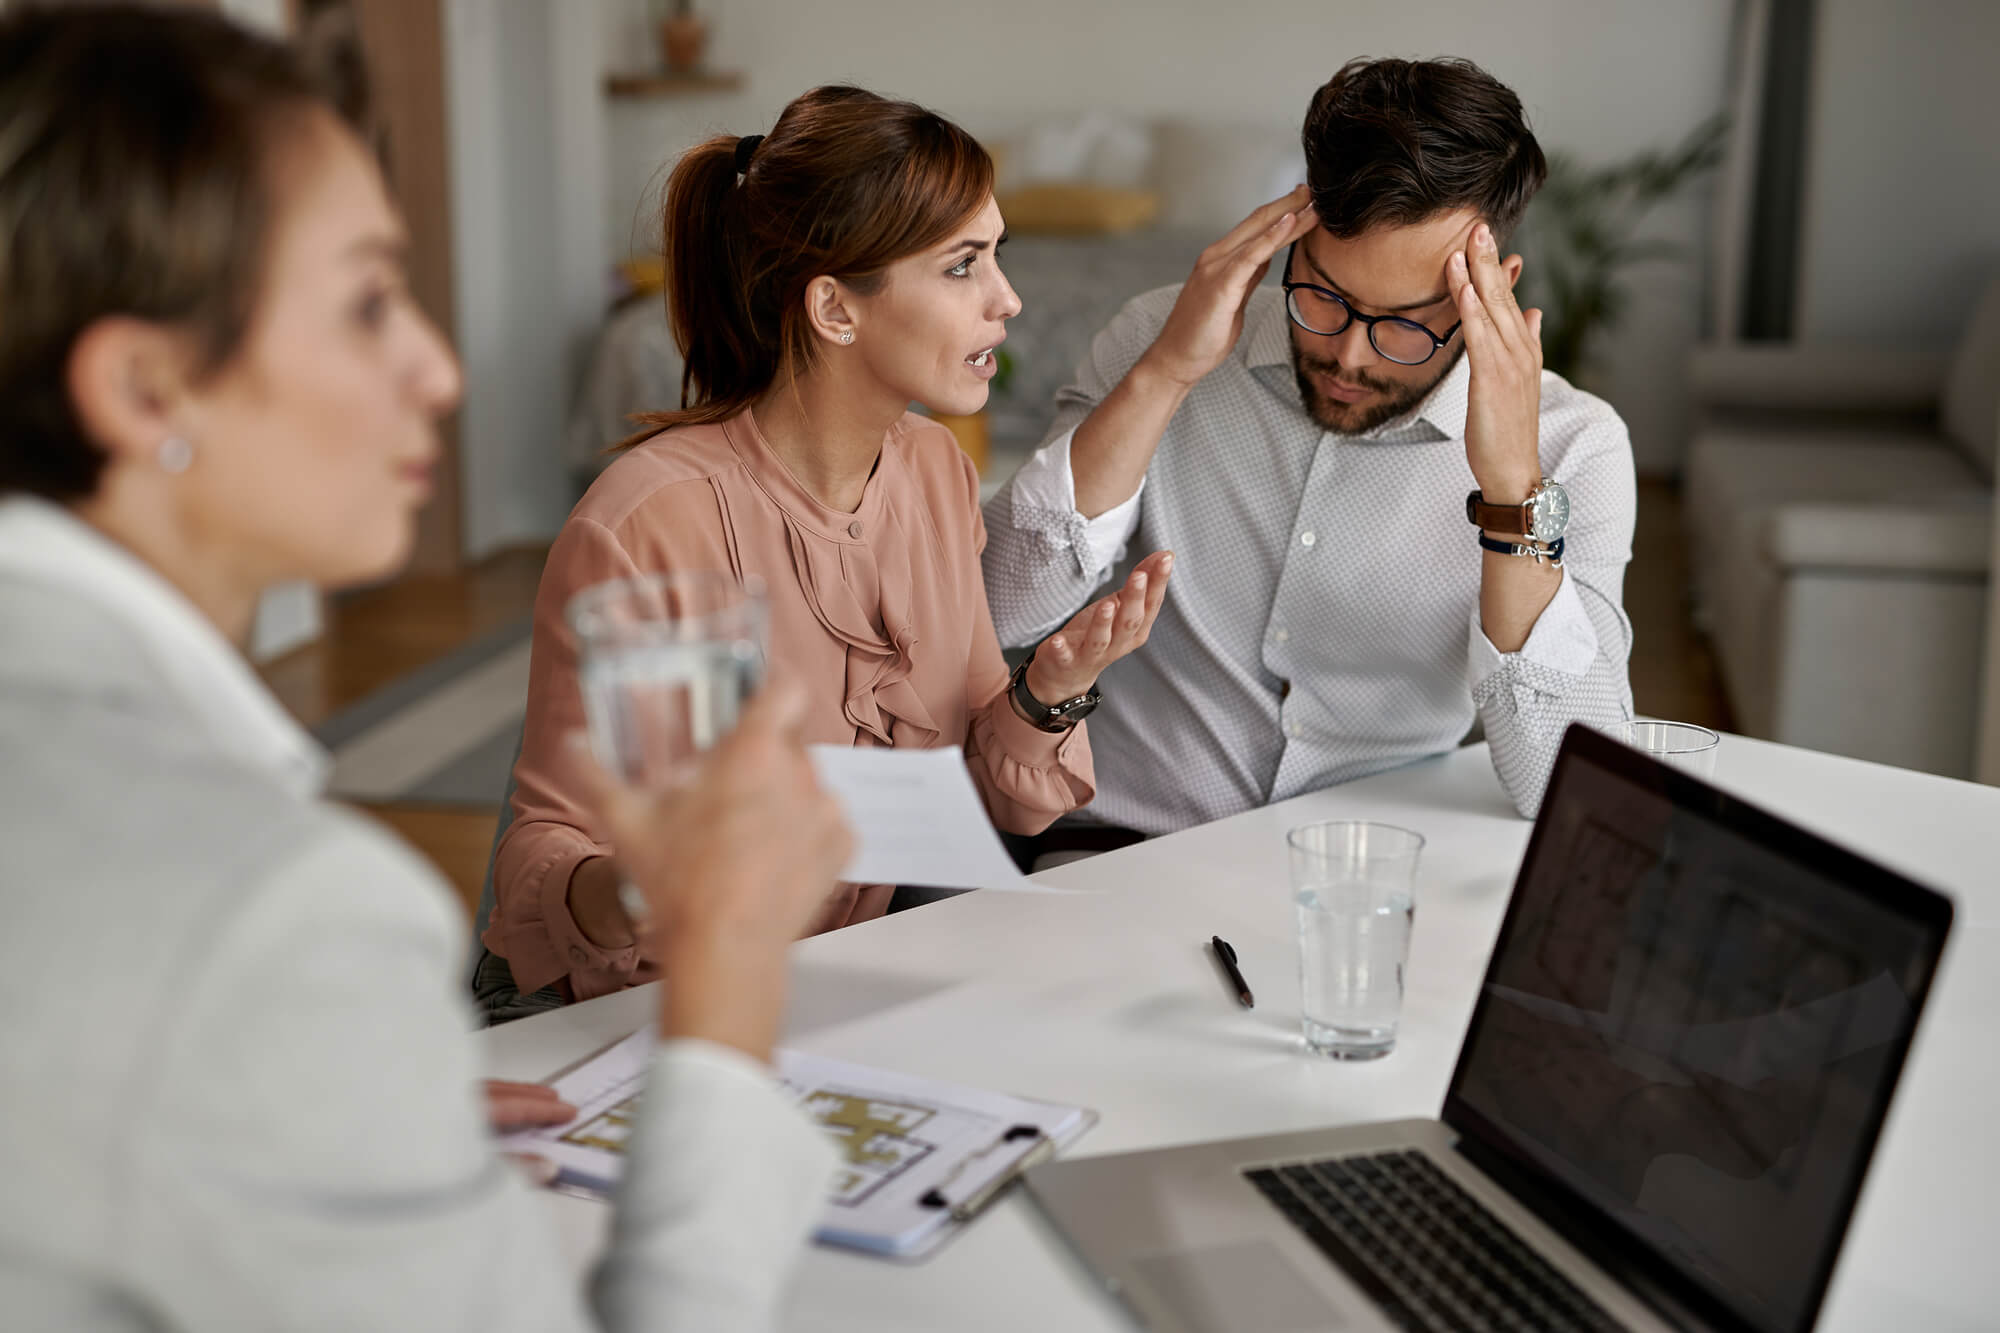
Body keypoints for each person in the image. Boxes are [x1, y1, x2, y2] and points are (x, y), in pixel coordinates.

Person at [0, 8, 855, 1327]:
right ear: (148, 388)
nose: (440, 370)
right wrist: (725, 1013)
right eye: (366, 301)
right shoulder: (270, 913)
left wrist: (311, 1093)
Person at [479, 86, 1173, 1014]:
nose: (1008, 301)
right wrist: (654, 876)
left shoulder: (933, 469)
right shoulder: (650, 520)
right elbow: (543, 859)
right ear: (835, 311)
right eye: (963, 267)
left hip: (833, 990)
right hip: (628, 1010)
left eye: (996, 258)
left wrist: (1049, 688)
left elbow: (981, 807)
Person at [983, 57, 1636, 836]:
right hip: (1113, 853)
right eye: (1323, 297)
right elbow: (996, 609)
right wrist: (1163, 375)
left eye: (1404, 322)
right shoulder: (1161, 337)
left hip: (1371, 871)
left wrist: (1510, 490)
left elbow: (1565, 782)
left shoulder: (1575, 449)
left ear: (1494, 291)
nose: (1351, 357)